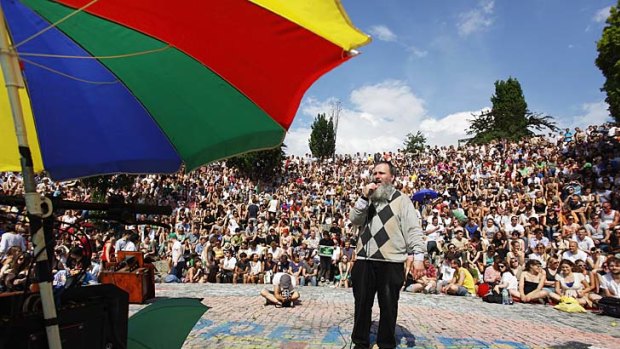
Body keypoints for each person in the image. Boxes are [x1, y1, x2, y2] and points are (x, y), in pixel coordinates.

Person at [349, 161, 425, 349]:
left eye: (381, 173)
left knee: (389, 307)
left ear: (392, 177)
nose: (377, 176)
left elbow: (413, 229)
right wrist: (363, 197)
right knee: (362, 305)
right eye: (374, 173)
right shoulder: (367, 199)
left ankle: (385, 344)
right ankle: (360, 342)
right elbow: (354, 220)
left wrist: (418, 257)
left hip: (391, 261)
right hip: (365, 259)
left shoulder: (402, 200)